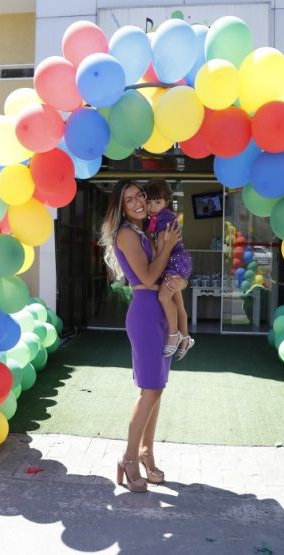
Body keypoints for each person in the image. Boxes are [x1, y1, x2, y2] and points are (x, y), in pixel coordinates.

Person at [98, 179, 185, 493]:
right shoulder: (125, 233)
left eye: (140, 196)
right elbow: (149, 277)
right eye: (128, 199)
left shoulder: (141, 231)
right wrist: (165, 248)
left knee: (157, 388)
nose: (136, 202)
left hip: (159, 314)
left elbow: (165, 275)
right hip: (145, 314)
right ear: (120, 207)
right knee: (149, 389)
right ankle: (129, 458)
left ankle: (147, 453)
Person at [144, 178, 195, 359]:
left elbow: (160, 250)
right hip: (179, 260)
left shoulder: (163, 220)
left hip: (173, 262)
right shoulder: (160, 218)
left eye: (157, 202)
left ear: (166, 202)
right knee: (178, 302)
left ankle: (174, 334)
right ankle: (186, 338)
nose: (152, 206)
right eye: (149, 202)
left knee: (164, 296)